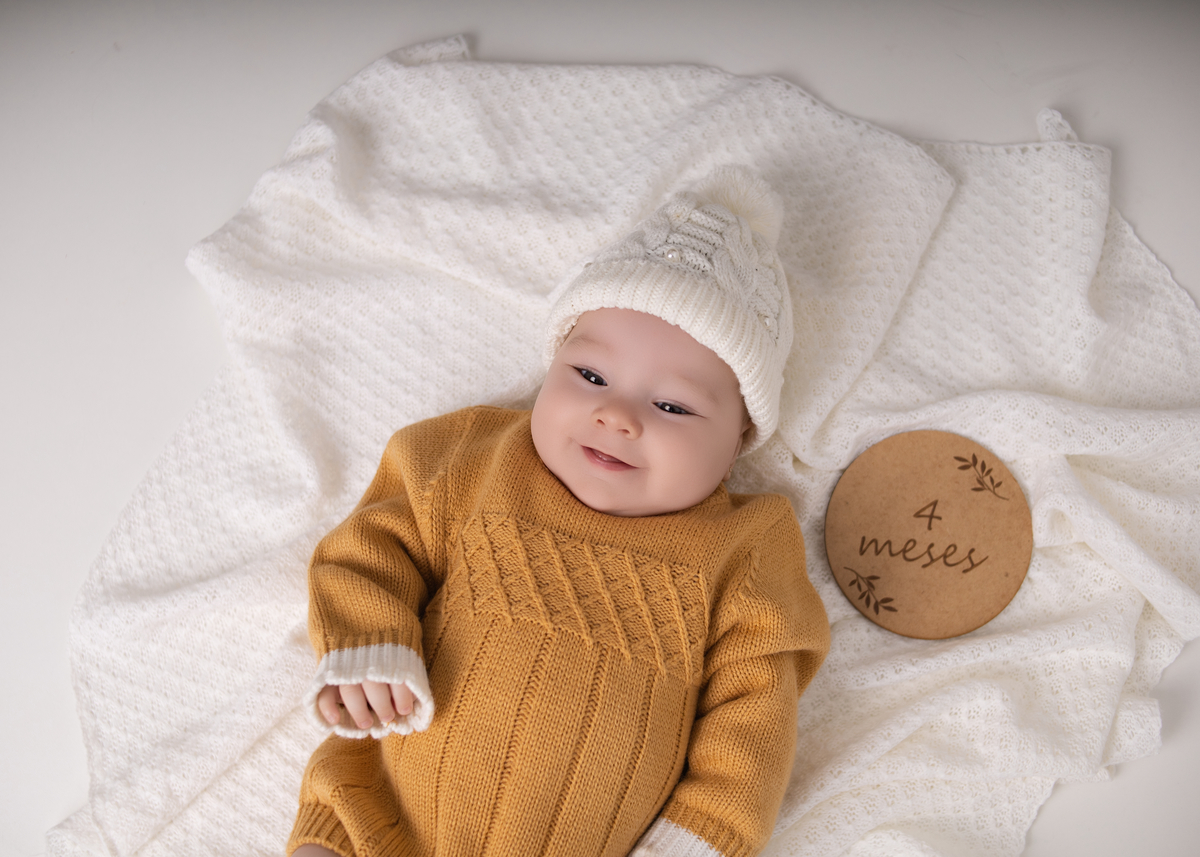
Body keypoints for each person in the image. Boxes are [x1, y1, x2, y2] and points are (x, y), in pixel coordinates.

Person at [288, 166, 830, 857]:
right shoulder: (474, 459)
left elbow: (755, 711)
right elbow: (370, 547)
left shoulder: (743, 547)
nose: (617, 415)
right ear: (552, 367)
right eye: (590, 376)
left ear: (737, 443)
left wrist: (700, 835)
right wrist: (371, 646)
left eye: (672, 405)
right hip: (379, 814)